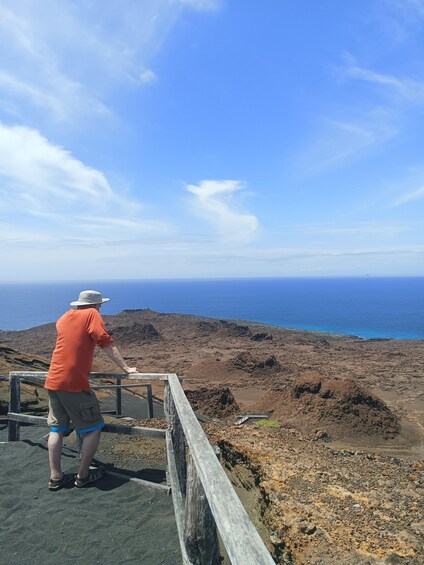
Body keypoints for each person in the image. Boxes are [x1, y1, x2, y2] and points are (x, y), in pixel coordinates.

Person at [44, 289, 138, 490]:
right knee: (93, 427)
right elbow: (105, 342)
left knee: (57, 429)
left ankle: (56, 477)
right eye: (100, 305)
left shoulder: (64, 317)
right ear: (95, 305)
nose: (101, 308)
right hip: (73, 383)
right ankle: (83, 475)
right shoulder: (92, 314)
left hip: (53, 380)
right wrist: (126, 368)